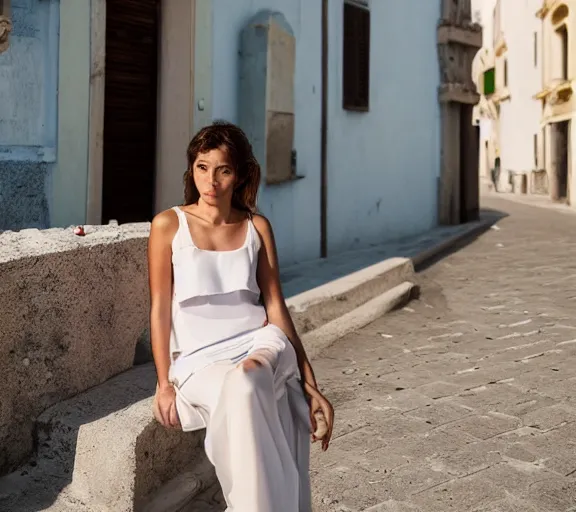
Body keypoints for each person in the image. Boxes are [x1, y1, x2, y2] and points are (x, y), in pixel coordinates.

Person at [147, 121, 334, 511]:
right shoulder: (168, 225)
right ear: (191, 170)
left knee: (249, 376)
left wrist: (310, 381)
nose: (210, 181)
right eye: (202, 167)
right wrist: (164, 383)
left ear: (240, 174)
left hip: (258, 342)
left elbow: (275, 307)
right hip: (200, 361)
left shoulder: (256, 227)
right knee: (244, 391)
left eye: (223, 170)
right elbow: (160, 309)